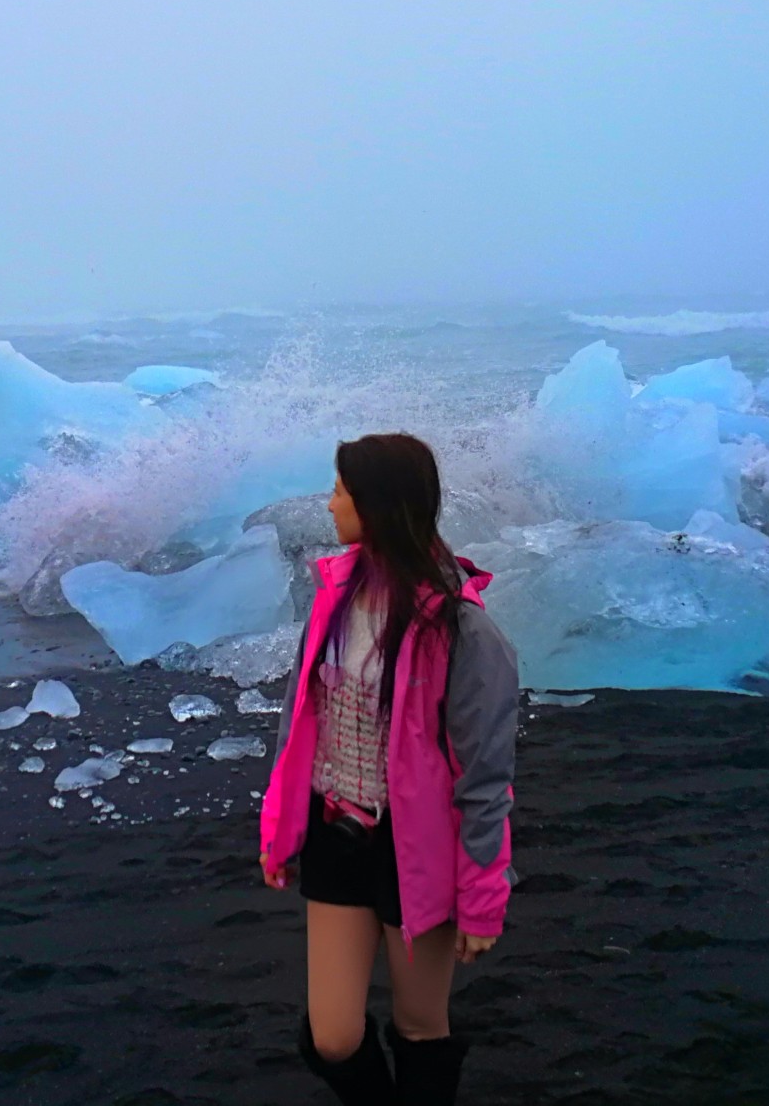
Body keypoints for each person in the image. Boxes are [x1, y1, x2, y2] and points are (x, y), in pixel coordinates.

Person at [259, 433, 520, 1105]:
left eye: (341, 491)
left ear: (375, 506)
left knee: (418, 1023)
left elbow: (485, 776)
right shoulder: (333, 596)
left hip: (418, 853)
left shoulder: (462, 630)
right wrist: (281, 831)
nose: (330, 502)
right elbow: (299, 726)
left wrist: (483, 895)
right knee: (333, 1037)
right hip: (335, 832)